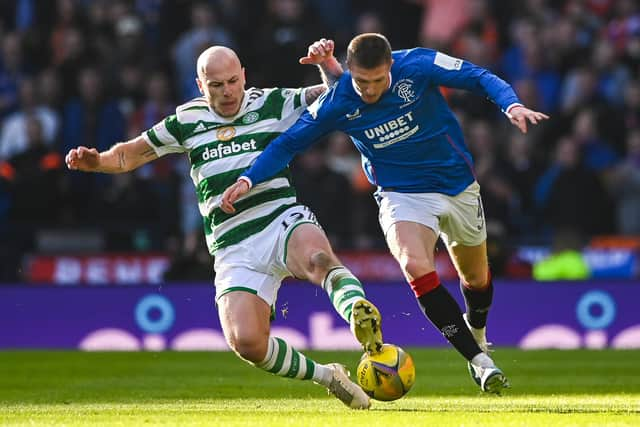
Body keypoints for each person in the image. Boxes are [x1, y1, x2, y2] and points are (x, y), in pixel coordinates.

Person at [221, 33, 550, 394]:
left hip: (457, 186)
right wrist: (249, 177)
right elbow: (288, 143)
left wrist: (511, 105)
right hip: (400, 195)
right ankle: (479, 361)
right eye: (362, 81)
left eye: (378, 81)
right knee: (414, 264)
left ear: (391, 66)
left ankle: (478, 332)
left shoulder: (418, 64)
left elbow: (478, 76)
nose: (370, 89)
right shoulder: (339, 99)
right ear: (350, 72)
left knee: (476, 278)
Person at [65, 46, 384, 410]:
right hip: (233, 245)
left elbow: (336, 94)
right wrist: (98, 161)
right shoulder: (186, 120)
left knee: (317, 258)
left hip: (279, 217)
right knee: (247, 343)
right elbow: (130, 154)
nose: (228, 91)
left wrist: (328, 66)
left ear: (244, 76)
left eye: (233, 81)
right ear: (201, 85)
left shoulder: (271, 102)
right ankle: (329, 376)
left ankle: (359, 310)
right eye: (217, 85)